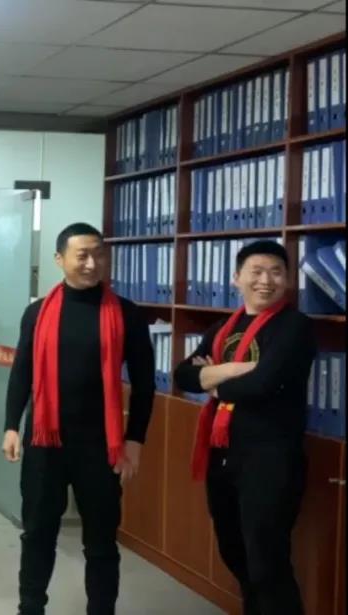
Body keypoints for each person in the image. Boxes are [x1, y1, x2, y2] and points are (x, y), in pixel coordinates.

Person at [2, 223, 155, 615]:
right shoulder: (38, 312)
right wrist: (11, 426)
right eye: (82, 255)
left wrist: (135, 439)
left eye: (98, 254)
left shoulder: (126, 314)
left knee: (101, 542)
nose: (92, 263)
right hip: (45, 441)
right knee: (37, 534)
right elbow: (22, 373)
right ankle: (30, 608)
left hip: (102, 445)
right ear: (60, 259)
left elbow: (144, 383)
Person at [173, 240, 314, 615]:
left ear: (288, 280)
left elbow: (264, 383)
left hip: (271, 459)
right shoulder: (224, 328)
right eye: (257, 271)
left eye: (276, 272)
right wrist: (236, 369)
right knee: (234, 552)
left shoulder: (294, 327)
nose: (266, 280)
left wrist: (213, 380)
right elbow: (183, 375)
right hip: (223, 456)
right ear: (237, 278)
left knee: (267, 562)